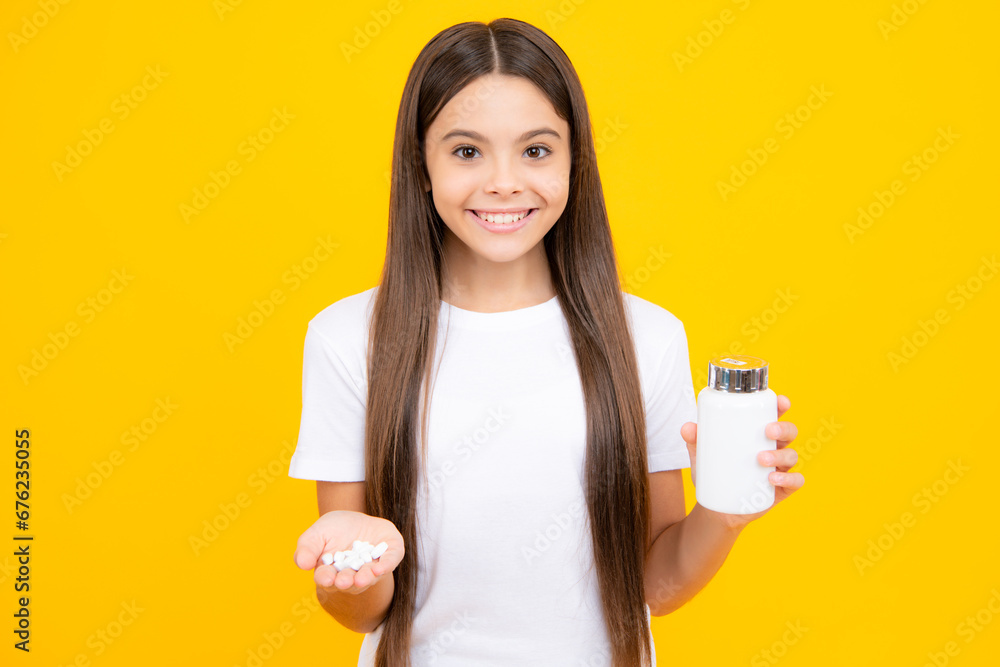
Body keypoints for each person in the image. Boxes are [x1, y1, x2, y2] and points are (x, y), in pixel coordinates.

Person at [288, 17, 804, 667]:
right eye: (466, 151)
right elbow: (360, 610)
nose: (504, 181)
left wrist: (725, 512)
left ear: (573, 162)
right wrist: (355, 565)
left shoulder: (647, 338)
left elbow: (654, 586)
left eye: (535, 150)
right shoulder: (346, 340)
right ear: (420, 164)